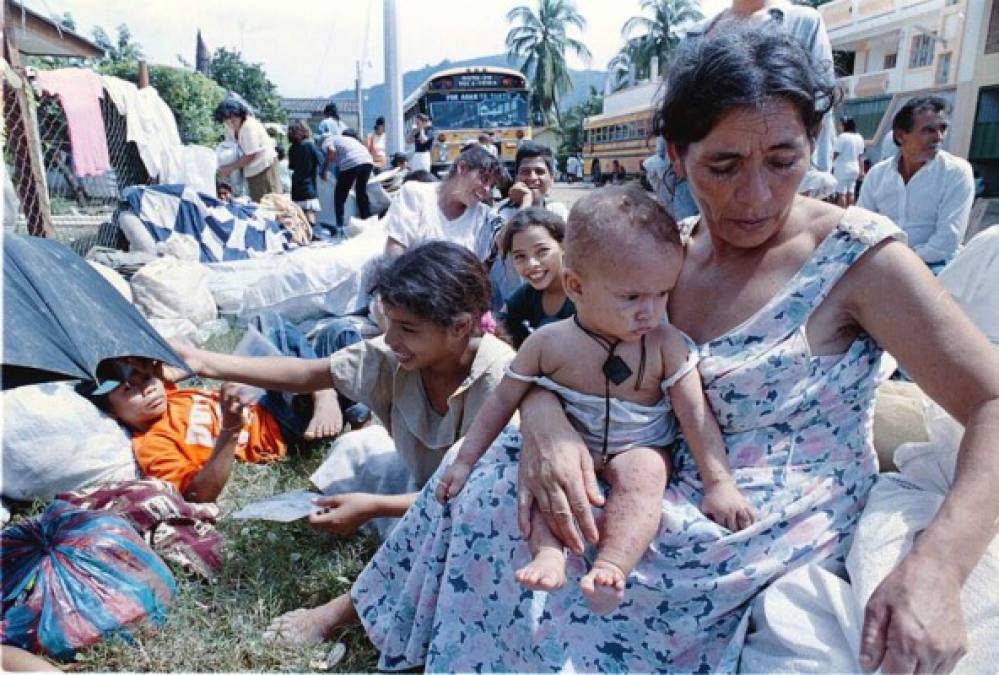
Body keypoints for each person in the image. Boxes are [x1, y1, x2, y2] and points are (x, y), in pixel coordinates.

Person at [303, 28, 998, 672]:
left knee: (609, 555)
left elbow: (992, 400)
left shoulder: (860, 257)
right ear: (674, 155)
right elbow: (573, 344)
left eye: (783, 160)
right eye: (723, 164)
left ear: (814, 146)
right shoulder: (665, 247)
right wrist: (543, 414)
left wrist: (937, 564)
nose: (755, 194)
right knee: (484, 471)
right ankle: (372, 611)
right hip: (630, 454)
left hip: (747, 512)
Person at [436, 186, 755, 616]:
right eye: (632, 297)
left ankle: (611, 567)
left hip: (636, 444)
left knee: (646, 473)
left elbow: (695, 416)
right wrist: (464, 460)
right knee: (539, 481)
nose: (651, 310)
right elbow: (501, 401)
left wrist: (719, 483)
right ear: (576, 286)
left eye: (662, 294)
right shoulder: (548, 343)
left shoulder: (666, 345)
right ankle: (549, 553)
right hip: (570, 445)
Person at [173, 241, 514, 560]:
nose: (392, 339)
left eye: (408, 329)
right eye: (390, 323)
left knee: (445, 543)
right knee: (358, 445)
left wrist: (375, 507)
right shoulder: (395, 355)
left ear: (459, 327)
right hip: (421, 488)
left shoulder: (500, 379)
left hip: (472, 506)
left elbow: (477, 495)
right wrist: (203, 362)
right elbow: (309, 374)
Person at [87, 315, 346, 503]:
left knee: (270, 322)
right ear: (110, 411)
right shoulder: (153, 443)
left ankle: (327, 394)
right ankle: (338, 403)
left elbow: (169, 356)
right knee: (340, 336)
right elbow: (197, 494)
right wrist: (230, 429)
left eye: (146, 380)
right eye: (128, 389)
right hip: (284, 426)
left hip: (267, 398)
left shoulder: (168, 394)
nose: (148, 390)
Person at [684, 0, 837, 174]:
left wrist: (811, 175)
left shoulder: (803, 22)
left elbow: (819, 107)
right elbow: (675, 117)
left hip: (779, 182)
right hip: (695, 184)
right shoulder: (696, 34)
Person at [858, 96, 975, 273]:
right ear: (900, 135)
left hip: (934, 267)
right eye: (928, 130)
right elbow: (861, 223)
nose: (939, 137)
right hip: (882, 263)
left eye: (943, 128)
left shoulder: (956, 172)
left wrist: (898, 262)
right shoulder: (877, 175)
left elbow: (947, 241)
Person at [383, 144, 507, 260]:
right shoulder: (415, 194)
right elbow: (394, 252)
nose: (487, 190)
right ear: (462, 168)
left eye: (492, 186)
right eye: (484, 179)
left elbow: (507, 242)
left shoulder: (483, 215)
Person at [486, 141, 569, 310]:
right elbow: (504, 244)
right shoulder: (499, 212)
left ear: (551, 179)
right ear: (516, 179)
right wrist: (526, 202)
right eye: (525, 172)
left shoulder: (557, 210)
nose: (532, 177)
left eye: (539, 171)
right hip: (509, 307)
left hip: (550, 303)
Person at [497, 207, 575, 348]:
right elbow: (500, 322)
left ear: (563, 246)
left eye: (542, 251)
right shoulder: (528, 293)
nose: (531, 264)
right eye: (520, 256)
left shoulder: (583, 293)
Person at [214, 98, 282, 202]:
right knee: (258, 202)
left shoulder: (249, 127)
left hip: (264, 167)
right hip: (251, 170)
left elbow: (250, 155)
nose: (231, 123)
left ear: (240, 115)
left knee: (272, 202)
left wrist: (229, 168)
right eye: (227, 120)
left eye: (233, 119)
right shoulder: (229, 127)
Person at [321, 128, 374, 232]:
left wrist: (324, 170)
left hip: (352, 161)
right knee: (361, 192)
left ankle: (340, 226)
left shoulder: (327, 141)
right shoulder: (347, 140)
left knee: (339, 196)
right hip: (367, 160)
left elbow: (330, 151)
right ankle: (367, 220)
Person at [286, 121, 324, 227]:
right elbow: (321, 160)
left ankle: (303, 235)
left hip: (296, 184)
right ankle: (312, 233)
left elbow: (292, 166)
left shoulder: (292, 148)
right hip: (308, 184)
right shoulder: (309, 145)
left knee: (300, 214)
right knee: (310, 211)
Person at [832, 116, 865, 207]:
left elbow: (836, 153)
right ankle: (850, 214)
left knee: (841, 193)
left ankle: (842, 214)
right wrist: (862, 171)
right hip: (855, 168)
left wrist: (829, 163)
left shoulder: (843, 137)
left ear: (845, 125)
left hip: (843, 168)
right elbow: (861, 156)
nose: (840, 127)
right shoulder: (859, 137)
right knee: (851, 192)